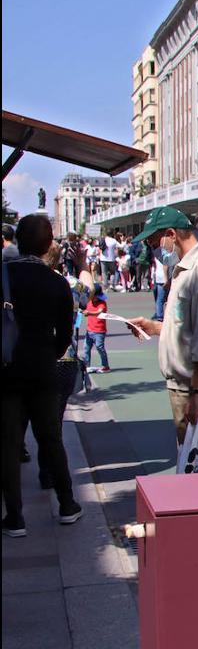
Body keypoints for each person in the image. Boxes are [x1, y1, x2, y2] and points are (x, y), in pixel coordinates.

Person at [126, 207, 198, 470]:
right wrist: (156, 327)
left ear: (171, 234)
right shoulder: (188, 267)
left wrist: (197, 391)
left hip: (197, 384)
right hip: (191, 383)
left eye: (154, 242)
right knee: (195, 457)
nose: (153, 249)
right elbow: (190, 323)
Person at [2, 215, 85, 537]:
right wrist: (48, 354)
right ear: (49, 243)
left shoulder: (4, 275)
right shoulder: (55, 282)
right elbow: (66, 333)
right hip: (42, 367)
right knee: (51, 438)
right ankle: (66, 503)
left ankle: (15, 516)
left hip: (7, 370)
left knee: (9, 443)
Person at [83, 283, 111, 373]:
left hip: (99, 331)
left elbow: (100, 312)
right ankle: (86, 366)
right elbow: (83, 308)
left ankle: (105, 366)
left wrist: (89, 313)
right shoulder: (89, 302)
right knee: (86, 348)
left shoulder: (102, 304)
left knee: (99, 347)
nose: (96, 298)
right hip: (89, 330)